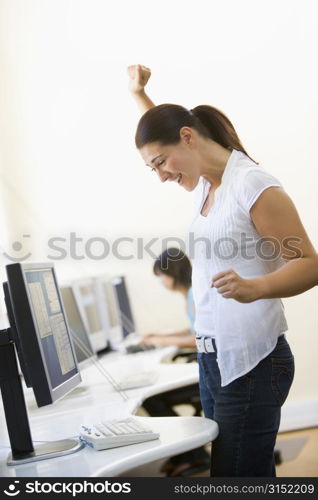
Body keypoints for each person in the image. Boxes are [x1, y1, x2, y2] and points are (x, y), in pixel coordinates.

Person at [127, 64, 318, 477]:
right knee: (243, 473)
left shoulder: (251, 185)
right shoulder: (206, 185)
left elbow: (309, 263)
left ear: (189, 138)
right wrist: (140, 95)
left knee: (234, 478)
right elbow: (170, 129)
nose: (161, 176)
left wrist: (256, 287)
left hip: (253, 361)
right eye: (153, 168)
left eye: (161, 163)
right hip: (214, 359)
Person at [141, 248, 210, 476]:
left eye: (160, 275)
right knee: (153, 397)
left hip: (208, 373)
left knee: (152, 399)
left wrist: (161, 341)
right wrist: (162, 336)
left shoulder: (193, 294)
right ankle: (187, 454)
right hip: (205, 368)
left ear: (171, 273)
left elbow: (199, 338)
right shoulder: (189, 294)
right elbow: (193, 329)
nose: (160, 281)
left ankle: (194, 455)